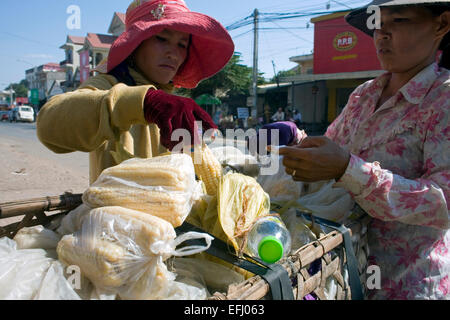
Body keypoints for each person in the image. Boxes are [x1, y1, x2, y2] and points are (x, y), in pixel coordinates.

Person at [276, 0, 450, 299]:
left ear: (441, 24)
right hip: (344, 274)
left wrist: (349, 170)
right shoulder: (364, 94)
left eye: (398, 20)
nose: (382, 33)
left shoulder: (443, 99)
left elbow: (443, 202)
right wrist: (299, 146)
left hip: (407, 283)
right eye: (377, 23)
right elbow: (333, 149)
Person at [36, 0, 234, 184]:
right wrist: (145, 103)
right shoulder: (108, 85)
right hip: (117, 218)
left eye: (182, 44)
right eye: (162, 38)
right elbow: (48, 125)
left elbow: (189, 168)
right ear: (135, 43)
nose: (173, 53)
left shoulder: (174, 105)